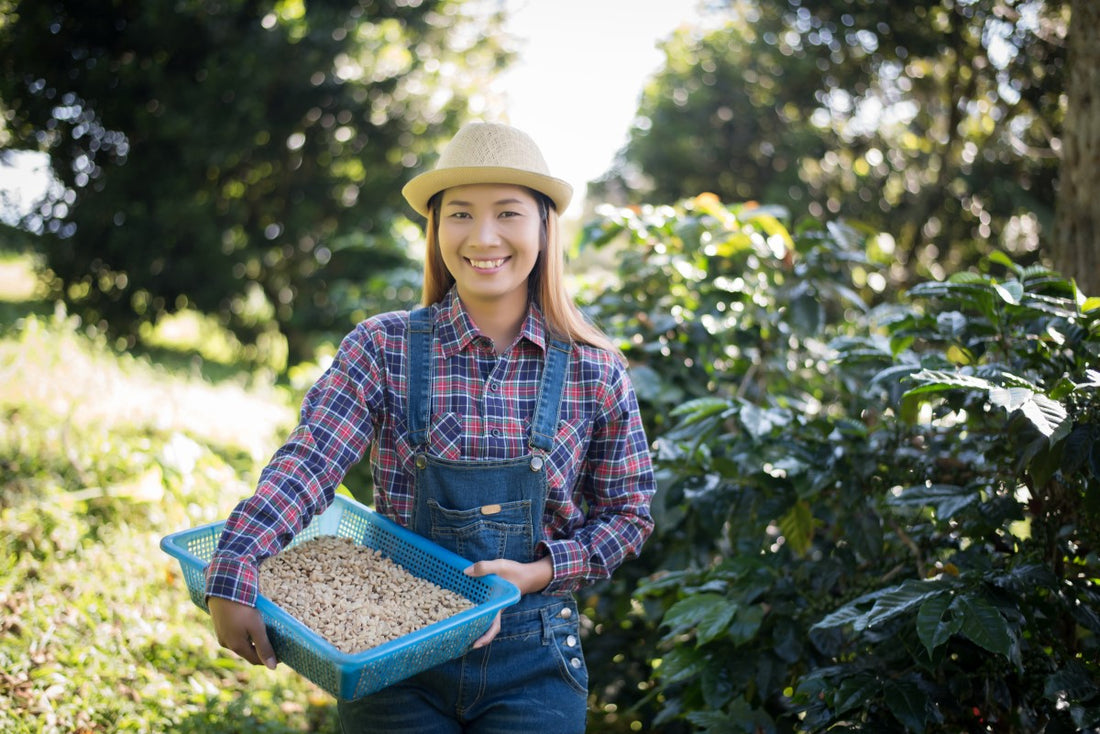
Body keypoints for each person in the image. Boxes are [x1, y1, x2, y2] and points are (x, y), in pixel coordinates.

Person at [204, 121, 656, 733]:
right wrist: (235, 566)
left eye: (508, 213)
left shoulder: (594, 370)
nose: (484, 236)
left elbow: (628, 515)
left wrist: (536, 574)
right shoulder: (382, 346)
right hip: (391, 649)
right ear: (436, 229)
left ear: (545, 228)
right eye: (461, 214)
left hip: (533, 657)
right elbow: (310, 464)